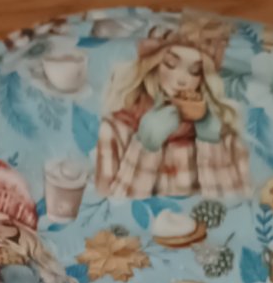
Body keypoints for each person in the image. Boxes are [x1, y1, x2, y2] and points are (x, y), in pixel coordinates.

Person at [94, 18, 250, 199]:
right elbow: (111, 205)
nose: (181, 80)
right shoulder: (115, 129)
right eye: (170, 63)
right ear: (153, 64)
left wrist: (211, 142)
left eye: (195, 70)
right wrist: (145, 146)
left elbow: (236, 205)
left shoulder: (224, 135)